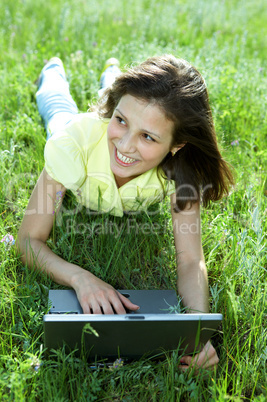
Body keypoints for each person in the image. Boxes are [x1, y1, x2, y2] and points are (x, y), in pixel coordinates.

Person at [16, 55, 233, 370]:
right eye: (121, 120)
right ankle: (53, 70)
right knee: (58, 111)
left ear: (177, 145)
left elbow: (190, 259)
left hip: (122, 115)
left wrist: (198, 331)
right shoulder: (72, 146)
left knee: (119, 105)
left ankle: (112, 74)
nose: (126, 146)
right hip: (77, 134)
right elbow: (27, 240)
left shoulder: (183, 170)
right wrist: (80, 278)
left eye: (148, 136)